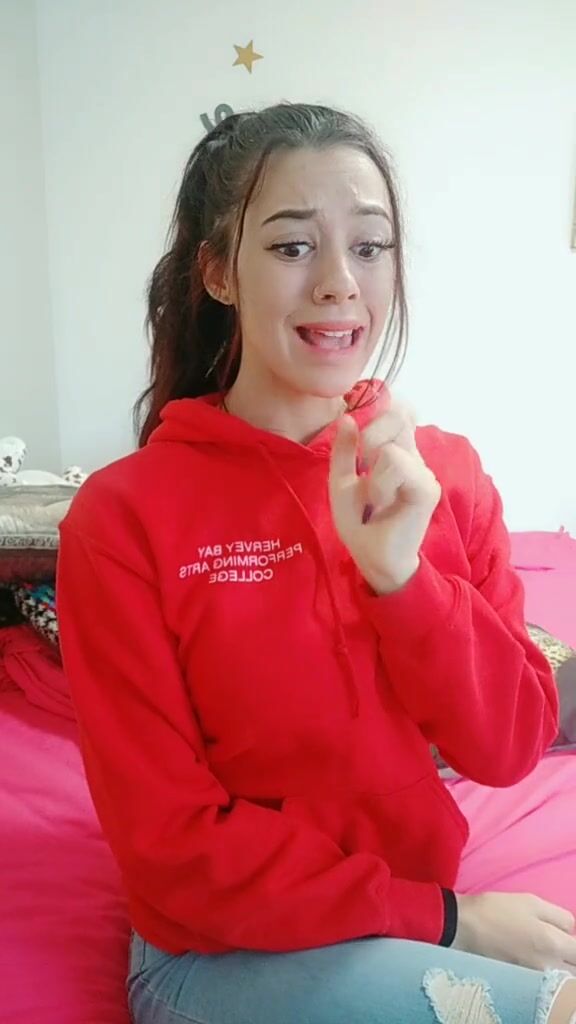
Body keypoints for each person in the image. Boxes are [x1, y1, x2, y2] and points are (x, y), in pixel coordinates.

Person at [57, 102, 576, 1024]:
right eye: (293, 246)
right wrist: (450, 921)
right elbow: (173, 851)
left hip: (407, 927)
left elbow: (508, 747)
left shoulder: (442, 476)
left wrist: (404, 583)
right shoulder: (123, 516)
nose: (340, 283)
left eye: (369, 247)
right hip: (221, 955)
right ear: (218, 272)